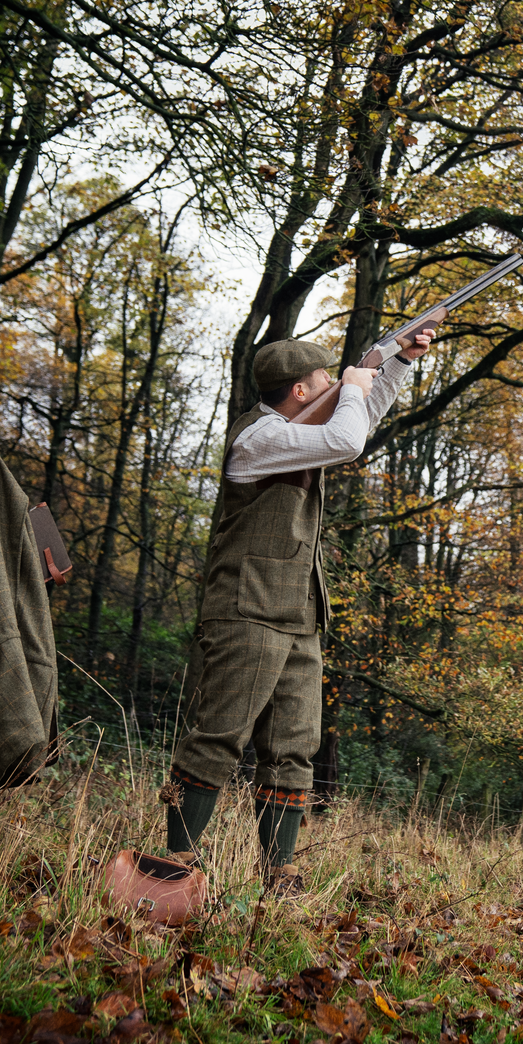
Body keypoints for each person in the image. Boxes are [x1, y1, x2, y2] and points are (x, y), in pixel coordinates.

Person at [158, 326, 435, 894]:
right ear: (302, 392)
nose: (336, 383)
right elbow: (347, 439)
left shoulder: (295, 426)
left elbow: (356, 422)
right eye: (327, 380)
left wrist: (397, 364)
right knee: (219, 737)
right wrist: (358, 384)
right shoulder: (259, 438)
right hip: (247, 607)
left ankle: (278, 870)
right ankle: (177, 862)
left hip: (299, 612)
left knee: (295, 746)